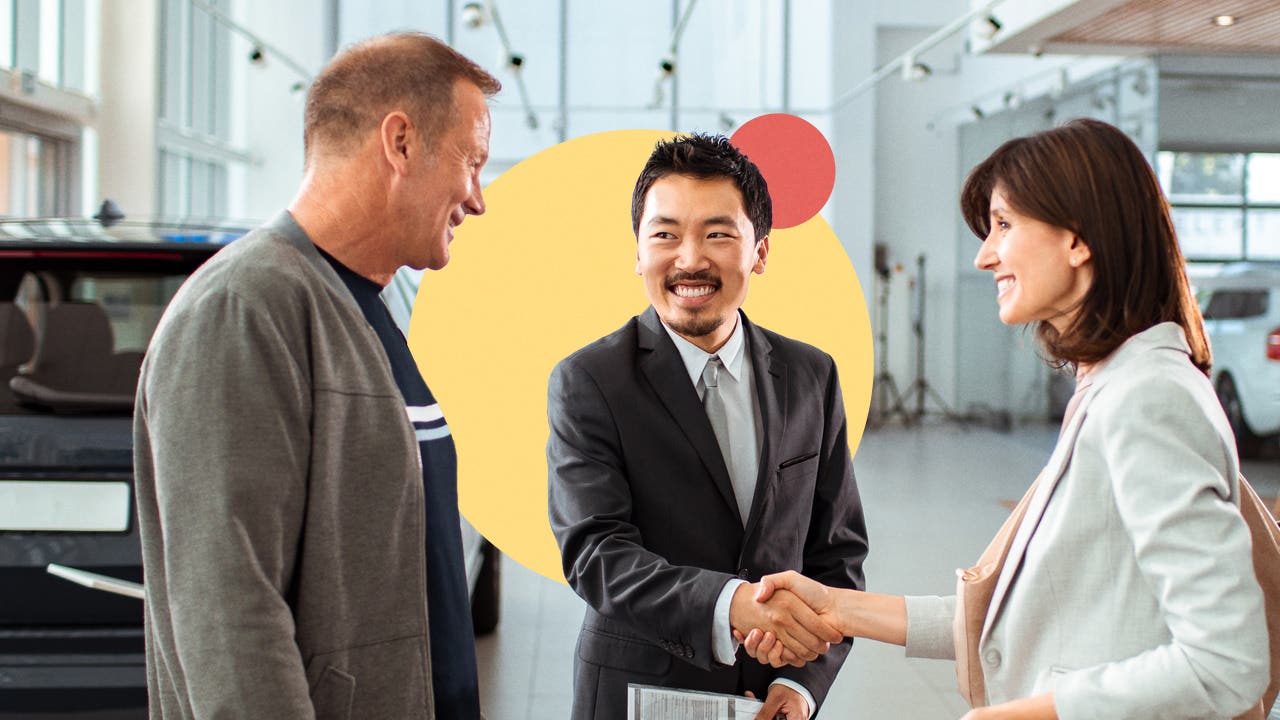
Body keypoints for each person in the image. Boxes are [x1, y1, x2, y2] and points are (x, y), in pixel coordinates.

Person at [739, 118, 1269, 719]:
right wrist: (837, 609)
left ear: (1078, 239)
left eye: (1003, 226)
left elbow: (1227, 661)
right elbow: (1013, 623)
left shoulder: (1148, 398)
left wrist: (1029, 713)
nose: (984, 256)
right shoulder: (1113, 388)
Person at [133, 33, 500, 719]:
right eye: (471, 162)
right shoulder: (243, 308)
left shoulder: (362, 306)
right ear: (400, 143)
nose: (477, 197)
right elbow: (229, 610)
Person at [546, 133, 869, 720]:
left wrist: (800, 685)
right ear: (638, 252)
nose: (689, 259)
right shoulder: (589, 380)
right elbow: (597, 553)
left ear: (760, 252)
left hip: (772, 699)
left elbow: (836, 556)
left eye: (717, 234)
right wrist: (733, 605)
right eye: (665, 234)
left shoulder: (810, 374)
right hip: (637, 695)